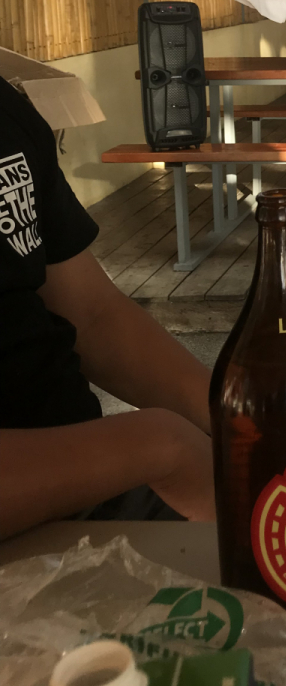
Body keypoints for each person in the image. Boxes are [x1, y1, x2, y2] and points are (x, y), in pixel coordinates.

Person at [0, 74, 216, 538]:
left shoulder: (7, 111)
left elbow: (92, 314)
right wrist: (161, 448)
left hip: (93, 483)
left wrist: (245, 415)